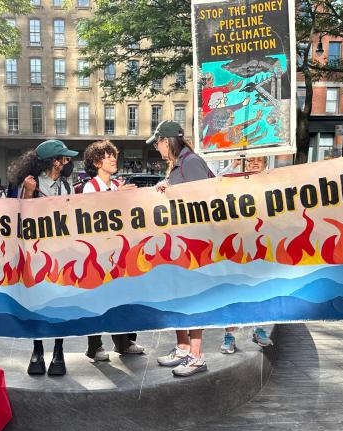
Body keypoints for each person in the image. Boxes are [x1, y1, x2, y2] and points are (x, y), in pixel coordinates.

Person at [149, 120, 215, 377]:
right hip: (178, 243)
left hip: (194, 244)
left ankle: (196, 355)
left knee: (193, 298)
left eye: (157, 143)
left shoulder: (191, 162)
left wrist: (173, 191)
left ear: (166, 141)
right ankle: (183, 347)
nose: (156, 148)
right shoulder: (177, 164)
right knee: (177, 295)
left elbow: (203, 200)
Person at [9, 139, 77, 376]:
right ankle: (37, 350)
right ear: (53, 162)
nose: (68, 162)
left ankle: (58, 351)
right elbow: (19, 217)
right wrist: (28, 193)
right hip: (35, 255)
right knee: (35, 301)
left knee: (60, 302)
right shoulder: (29, 183)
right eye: (64, 158)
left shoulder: (67, 186)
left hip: (60, 254)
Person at [80, 140, 144, 362]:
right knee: (97, 300)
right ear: (97, 162)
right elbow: (92, 216)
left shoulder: (118, 185)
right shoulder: (91, 187)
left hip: (120, 252)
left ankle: (124, 342)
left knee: (123, 297)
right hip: (98, 255)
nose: (113, 159)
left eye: (113, 155)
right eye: (108, 156)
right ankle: (94, 346)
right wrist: (118, 196)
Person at [219, 156, 273, 354]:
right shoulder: (238, 181)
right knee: (233, 290)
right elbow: (214, 186)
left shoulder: (272, 182)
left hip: (261, 246)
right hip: (238, 244)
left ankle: (258, 329)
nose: (255, 163)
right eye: (251, 160)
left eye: (259, 160)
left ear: (266, 163)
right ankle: (229, 336)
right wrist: (231, 165)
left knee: (259, 289)